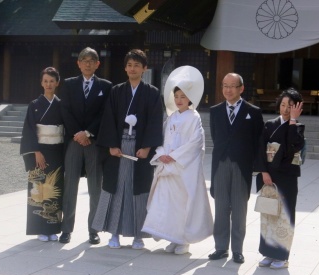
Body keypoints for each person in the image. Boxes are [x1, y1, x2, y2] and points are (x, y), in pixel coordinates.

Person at [92, 49, 163, 249]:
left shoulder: (152, 93)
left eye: (137, 65)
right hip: (119, 147)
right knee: (118, 189)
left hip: (140, 147)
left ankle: (138, 235)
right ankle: (114, 233)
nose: (133, 68)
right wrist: (112, 145)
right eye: (130, 65)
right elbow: (108, 119)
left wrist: (148, 147)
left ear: (144, 68)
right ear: (125, 68)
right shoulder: (116, 91)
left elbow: (155, 122)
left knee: (137, 191)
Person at [142, 66, 213, 255]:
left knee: (183, 204)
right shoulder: (171, 118)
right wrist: (162, 153)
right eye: (177, 96)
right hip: (168, 166)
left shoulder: (194, 117)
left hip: (183, 168)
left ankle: (184, 240)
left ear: (190, 98)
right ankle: (173, 237)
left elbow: (195, 143)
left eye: (183, 96)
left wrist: (173, 156)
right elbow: (163, 138)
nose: (179, 100)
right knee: (168, 204)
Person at [59, 47, 112, 245]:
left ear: (98, 64)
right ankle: (66, 229)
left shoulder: (105, 86)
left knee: (95, 187)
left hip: (94, 141)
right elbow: (65, 110)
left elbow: (105, 113)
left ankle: (94, 229)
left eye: (92, 60)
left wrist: (88, 133)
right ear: (78, 63)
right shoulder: (69, 84)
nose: (88, 63)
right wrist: (78, 134)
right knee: (70, 185)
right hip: (74, 140)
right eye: (84, 60)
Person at [208, 73, 264, 264]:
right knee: (221, 206)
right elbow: (216, 137)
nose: (228, 90)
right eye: (225, 85)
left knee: (239, 208)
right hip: (221, 163)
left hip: (242, 164)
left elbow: (258, 141)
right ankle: (220, 247)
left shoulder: (253, 112)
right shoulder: (215, 111)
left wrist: (258, 167)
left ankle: (237, 250)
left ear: (241, 88)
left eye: (232, 86)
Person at [255, 88, 305, 269]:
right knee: (268, 215)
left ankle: (282, 256)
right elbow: (260, 149)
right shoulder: (269, 125)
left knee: (284, 216)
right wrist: (263, 172)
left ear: (297, 108)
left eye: (290, 106)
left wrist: (292, 121)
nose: (285, 109)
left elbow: (293, 146)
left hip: (286, 177)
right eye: (283, 105)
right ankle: (268, 253)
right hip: (269, 175)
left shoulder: (297, 128)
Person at [20, 67, 64, 242]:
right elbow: (29, 130)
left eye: (52, 81)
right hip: (40, 151)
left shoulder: (61, 105)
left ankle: (52, 227)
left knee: (54, 189)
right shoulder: (34, 105)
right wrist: (36, 152)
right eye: (45, 81)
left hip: (57, 151)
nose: (48, 84)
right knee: (38, 189)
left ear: (57, 83)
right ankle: (39, 228)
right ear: (41, 83)